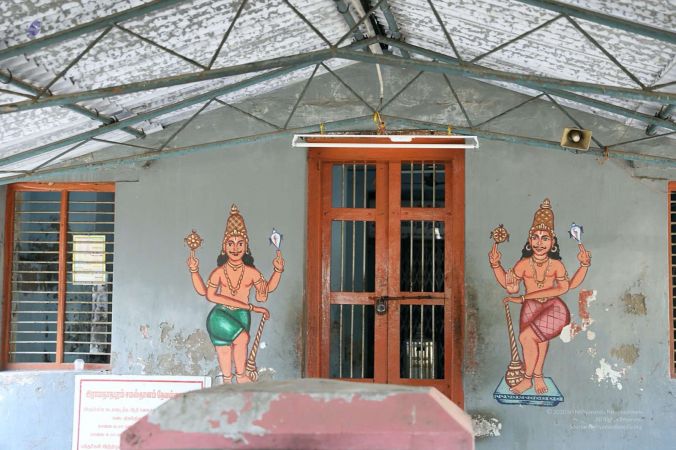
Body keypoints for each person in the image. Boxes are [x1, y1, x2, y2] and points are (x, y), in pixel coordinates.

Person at [488, 199, 591, 395]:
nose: (539, 243)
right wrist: (496, 265)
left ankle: (527, 379)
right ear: (529, 240)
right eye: (535, 237)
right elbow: (510, 286)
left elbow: (565, 287)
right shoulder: (524, 264)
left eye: (545, 238)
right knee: (539, 341)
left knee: (527, 337)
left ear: (552, 242)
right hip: (530, 307)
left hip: (554, 308)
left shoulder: (556, 265)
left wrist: (584, 265)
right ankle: (537, 376)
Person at [187, 204, 284, 383]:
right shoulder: (219, 272)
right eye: (230, 243)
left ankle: (231, 381)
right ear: (224, 247)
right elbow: (208, 294)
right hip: (220, 316)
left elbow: (264, 291)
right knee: (240, 339)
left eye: (240, 243)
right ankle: (239, 377)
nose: (235, 248)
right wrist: (194, 271)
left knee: (228, 349)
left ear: (246, 246)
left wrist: (277, 271)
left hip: (242, 316)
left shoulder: (251, 272)